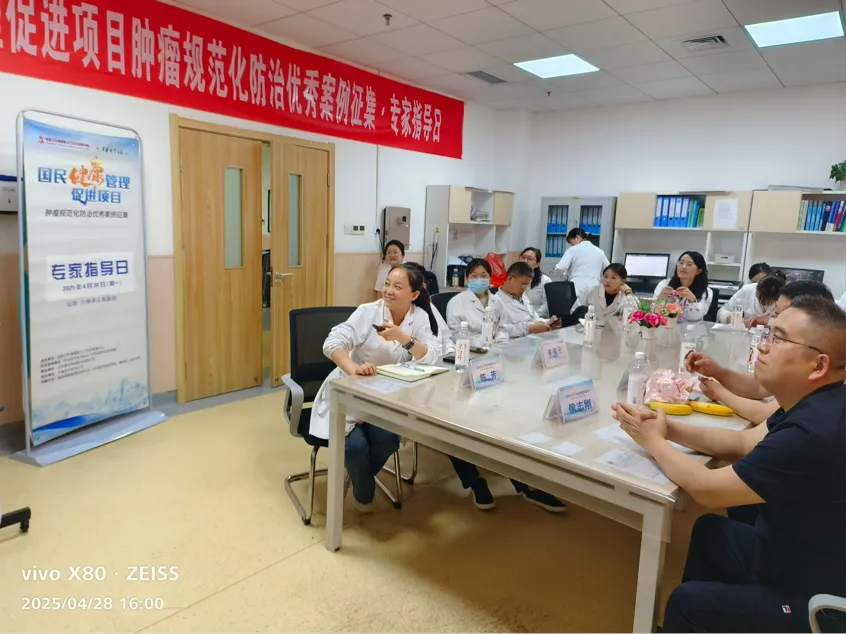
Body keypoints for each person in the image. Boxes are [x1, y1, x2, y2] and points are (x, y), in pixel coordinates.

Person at [613, 296, 846, 634]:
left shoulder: (814, 432)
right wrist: (666, 427)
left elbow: (707, 489)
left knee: (687, 604)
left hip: (815, 596)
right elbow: (741, 443)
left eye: (778, 339)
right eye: (768, 334)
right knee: (711, 533)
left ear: (819, 365)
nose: (762, 346)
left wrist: (653, 441)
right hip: (788, 552)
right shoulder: (815, 401)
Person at [312, 264, 440, 511]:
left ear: (414, 294)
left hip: (387, 398)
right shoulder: (368, 312)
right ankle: (364, 490)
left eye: (398, 286)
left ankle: (357, 477)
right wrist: (354, 370)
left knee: (388, 441)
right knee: (355, 447)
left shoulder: (420, 317)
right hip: (351, 393)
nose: (389, 290)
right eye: (387, 284)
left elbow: (431, 355)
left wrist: (403, 338)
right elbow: (333, 342)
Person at [445, 258, 508, 347]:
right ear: (467, 279)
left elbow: (502, 329)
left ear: (490, 279)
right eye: (474, 276)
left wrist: (500, 342)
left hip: (495, 348)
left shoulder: (497, 301)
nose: (479, 279)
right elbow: (455, 334)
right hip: (469, 349)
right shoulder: (455, 302)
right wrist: (480, 343)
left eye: (484, 275)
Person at [498, 262, 562, 338]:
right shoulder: (496, 301)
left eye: (527, 285)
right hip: (514, 342)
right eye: (522, 284)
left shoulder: (522, 296)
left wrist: (548, 323)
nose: (524, 288)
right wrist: (528, 329)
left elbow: (533, 319)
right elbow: (498, 330)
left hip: (532, 339)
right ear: (510, 279)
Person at [405, 262, 454, 357]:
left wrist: (451, 356)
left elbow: (446, 340)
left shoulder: (428, 308)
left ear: (423, 287)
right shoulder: (379, 308)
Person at [653, 251, 712, 322]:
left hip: (691, 328)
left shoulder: (706, 291)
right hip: (666, 326)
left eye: (689, 264)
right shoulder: (664, 284)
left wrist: (692, 300)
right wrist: (660, 298)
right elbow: (653, 312)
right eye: (681, 263)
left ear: (698, 271)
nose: (683, 267)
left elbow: (694, 318)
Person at [554, 228, 610, 296]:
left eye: (571, 242)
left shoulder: (572, 250)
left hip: (576, 289)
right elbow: (609, 270)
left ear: (577, 238)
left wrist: (565, 276)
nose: (572, 245)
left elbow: (560, 268)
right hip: (594, 290)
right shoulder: (600, 252)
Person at [717, 274, 785, 326]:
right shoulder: (748, 290)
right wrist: (729, 318)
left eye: (768, 301)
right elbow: (722, 311)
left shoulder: (783, 299)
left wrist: (764, 320)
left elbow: (785, 323)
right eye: (760, 297)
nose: (763, 302)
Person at [519, 247, 552, 319]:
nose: (525, 261)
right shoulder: (513, 279)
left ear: (537, 264)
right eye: (523, 257)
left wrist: (531, 316)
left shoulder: (545, 281)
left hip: (538, 319)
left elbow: (547, 306)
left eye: (529, 259)